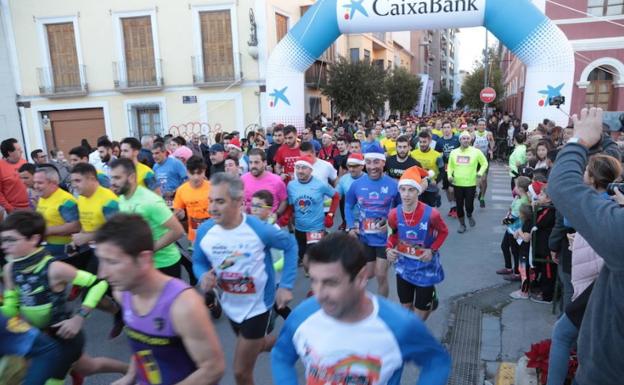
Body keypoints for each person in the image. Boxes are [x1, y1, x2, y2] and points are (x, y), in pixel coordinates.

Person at [271, 232, 451, 385]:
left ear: (361, 277)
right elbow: (281, 355)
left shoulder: (399, 325)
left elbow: (437, 362)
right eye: (314, 281)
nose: (319, 294)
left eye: (331, 283)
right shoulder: (302, 316)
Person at [192, 172, 298, 385]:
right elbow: (198, 261)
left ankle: (290, 342)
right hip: (231, 304)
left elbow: (290, 246)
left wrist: (285, 285)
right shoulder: (205, 231)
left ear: (239, 202)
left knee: (241, 371)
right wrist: (202, 275)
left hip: (258, 305)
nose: (212, 208)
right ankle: (294, 342)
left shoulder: (258, 229)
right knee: (254, 345)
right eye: (210, 201)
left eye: (220, 202)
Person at [94, 214, 225, 385]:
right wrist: (130, 377)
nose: (102, 273)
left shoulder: (183, 305)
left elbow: (212, 369)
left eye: (112, 262)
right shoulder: (122, 293)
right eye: (101, 261)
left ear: (143, 259)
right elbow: (143, 347)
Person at [548, 108, 624, 385]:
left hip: (604, 372)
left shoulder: (614, 223)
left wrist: (579, 140)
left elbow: (562, 186)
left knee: (565, 331)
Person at [1, 211, 109, 385]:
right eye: (3, 240)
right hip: (36, 337)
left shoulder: (54, 268)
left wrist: (79, 317)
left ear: (34, 239)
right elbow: (11, 309)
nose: (4, 246)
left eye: (11, 240)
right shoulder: (9, 270)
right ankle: (129, 371)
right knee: (90, 367)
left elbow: (98, 284)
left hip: (64, 336)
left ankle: (130, 373)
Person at [386, 167, 449, 321]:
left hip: (425, 268)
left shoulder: (432, 214)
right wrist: (389, 249)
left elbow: (443, 232)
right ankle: (412, 336)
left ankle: (429, 299)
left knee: (420, 314)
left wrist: (432, 250)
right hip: (404, 267)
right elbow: (393, 235)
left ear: (418, 192)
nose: (406, 195)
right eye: (403, 190)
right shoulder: (394, 214)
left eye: (411, 190)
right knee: (406, 309)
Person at [110, 158, 185, 278]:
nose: (112, 183)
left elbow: (177, 231)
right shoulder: (122, 199)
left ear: (131, 177)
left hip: (164, 265)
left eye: (117, 178)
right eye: (112, 178)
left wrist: (150, 249)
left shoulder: (150, 200)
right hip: (141, 266)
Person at [345, 150, 400, 298]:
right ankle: (359, 304)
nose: (372, 166)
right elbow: (348, 205)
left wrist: (390, 223)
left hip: (385, 239)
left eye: (376, 162)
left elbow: (401, 211)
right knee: (367, 274)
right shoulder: (357, 185)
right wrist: (350, 226)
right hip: (365, 238)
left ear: (383, 162)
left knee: (381, 275)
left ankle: (382, 310)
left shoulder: (393, 185)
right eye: (368, 162)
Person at [281, 155, 339, 264]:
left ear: (310, 170)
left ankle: (318, 275)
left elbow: (336, 197)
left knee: (311, 259)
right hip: (299, 228)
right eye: (298, 168)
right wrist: (287, 215)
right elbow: (291, 204)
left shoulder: (320, 184)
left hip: (316, 227)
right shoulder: (291, 186)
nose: (300, 171)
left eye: (303, 168)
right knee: (302, 255)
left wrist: (330, 215)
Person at [33, 166, 80, 260]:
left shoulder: (66, 201)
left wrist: (44, 231)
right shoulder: (43, 196)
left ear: (54, 183)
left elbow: (75, 226)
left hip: (63, 250)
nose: (35, 186)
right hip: (46, 246)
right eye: (34, 182)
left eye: (40, 183)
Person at [447, 131, 488, 233]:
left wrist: (480, 173)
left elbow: (484, 163)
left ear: (470, 140)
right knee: (459, 205)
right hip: (457, 183)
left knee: (469, 205)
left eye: (467, 138)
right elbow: (450, 166)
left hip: (470, 183)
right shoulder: (454, 152)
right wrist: (449, 176)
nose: (465, 140)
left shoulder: (476, 152)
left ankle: (469, 215)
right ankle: (462, 225)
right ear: (460, 140)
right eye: (463, 138)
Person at [241, 148, 287, 215]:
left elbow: (284, 201)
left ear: (265, 163)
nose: (253, 166)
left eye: (256, 162)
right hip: (249, 223)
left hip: (269, 223)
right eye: (250, 162)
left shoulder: (277, 181)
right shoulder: (242, 179)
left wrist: (277, 214)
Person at [410, 130, 444, 208]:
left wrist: (436, 181)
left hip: (431, 187)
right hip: (417, 186)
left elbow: (442, 172)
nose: (422, 144)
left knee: (431, 212)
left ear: (430, 141)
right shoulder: (412, 154)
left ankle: (437, 198)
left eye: (424, 142)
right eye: (420, 142)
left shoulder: (437, 155)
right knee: (418, 210)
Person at [434, 122, 460, 217]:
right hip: (445, 167)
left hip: (456, 167)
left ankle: (457, 206)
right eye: (444, 127)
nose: (446, 129)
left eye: (448, 127)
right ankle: (452, 207)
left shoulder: (457, 140)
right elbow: (437, 155)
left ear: (451, 128)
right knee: (447, 189)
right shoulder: (440, 142)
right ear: (442, 129)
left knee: (452, 189)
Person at [336, 153, 365, 231]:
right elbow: (336, 196)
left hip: (366, 220)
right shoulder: (343, 179)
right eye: (349, 166)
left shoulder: (369, 179)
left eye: (355, 166)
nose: (351, 169)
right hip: (350, 220)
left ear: (362, 166)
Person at [0, 139, 29, 214]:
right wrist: (10, 209)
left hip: (32, 206)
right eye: (18, 150)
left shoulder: (24, 162)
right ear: (10, 152)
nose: (22, 151)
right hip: (15, 211)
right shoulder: (1, 167)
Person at [473, 118, 495, 207]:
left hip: (484, 159)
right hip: (475, 160)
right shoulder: (473, 134)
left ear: (485, 126)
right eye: (480, 125)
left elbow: (492, 143)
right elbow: (468, 145)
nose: (482, 126)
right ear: (477, 126)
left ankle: (482, 197)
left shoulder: (488, 134)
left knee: (484, 180)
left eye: (483, 125)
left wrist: (491, 149)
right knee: (477, 181)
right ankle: (480, 191)